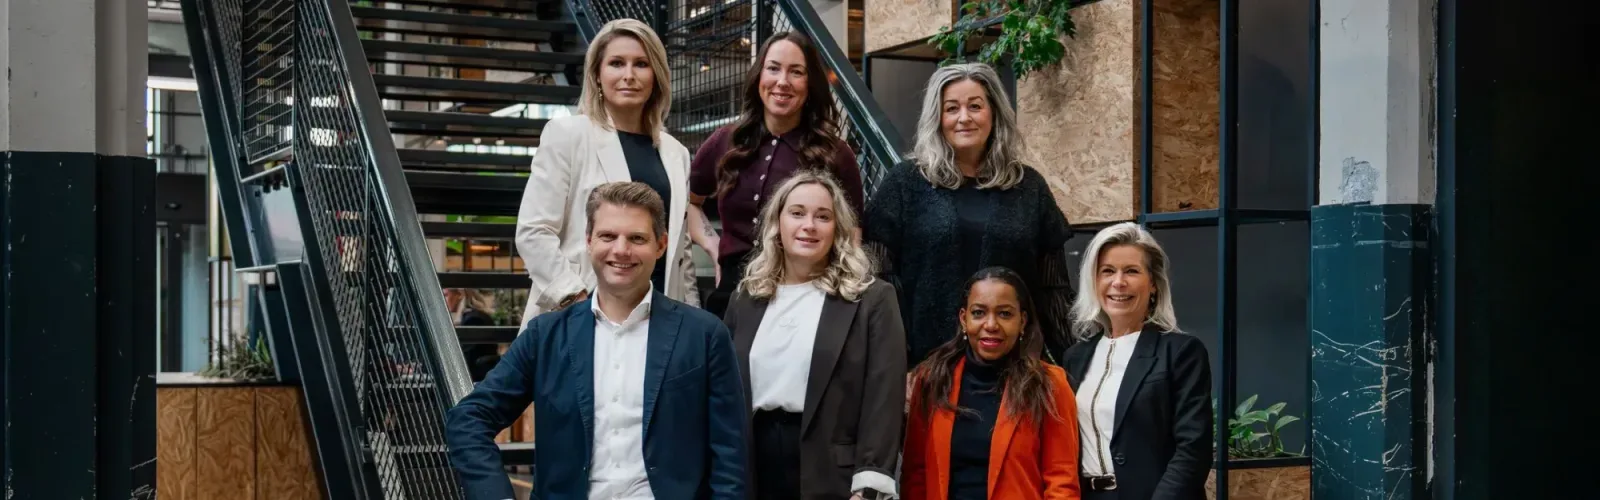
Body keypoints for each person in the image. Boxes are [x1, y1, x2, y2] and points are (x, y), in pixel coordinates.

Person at [445, 182, 748, 500]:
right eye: (608, 236)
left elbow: (730, 455)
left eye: (637, 238)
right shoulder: (545, 336)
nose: (621, 250)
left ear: (661, 245)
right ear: (588, 241)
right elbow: (468, 419)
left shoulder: (704, 335)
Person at [863, 63, 1076, 367]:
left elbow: (1053, 288)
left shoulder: (1028, 186)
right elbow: (880, 281)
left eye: (975, 106)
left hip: (1012, 369)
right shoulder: (904, 183)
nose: (964, 117)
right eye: (952, 108)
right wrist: (897, 359)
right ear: (937, 117)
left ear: (994, 113)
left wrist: (1071, 361)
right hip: (926, 366)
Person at [721, 172, 906, 500]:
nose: (809, 225)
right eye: (797, 213)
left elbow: (884, 397)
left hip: (832, 474)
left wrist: (869, 483)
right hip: (753, 469)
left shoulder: (872, 298)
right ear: (777, 223)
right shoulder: (746, 298)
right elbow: (726, 392)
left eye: (823, 216)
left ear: (838, 229)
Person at [514, 18, 697, 328]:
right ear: (597, 74)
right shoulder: (568, 135)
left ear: (656, 76)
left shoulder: (675, 152)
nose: (629, 75)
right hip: (582, 317)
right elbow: (534, 231)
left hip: (658, 322)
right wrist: (575, 299)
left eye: (641, 64)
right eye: (616, 63)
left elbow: (682, 252)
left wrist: (691, 322)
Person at [688, 31, 866, 318]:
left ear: (810, 83)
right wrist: (713, 245)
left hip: (804, 294)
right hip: (733, 293)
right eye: (773, 68)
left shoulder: (835, 153)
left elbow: (852, 233)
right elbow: (690, 203)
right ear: (759, 76)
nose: (782, 81)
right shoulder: (725, 141)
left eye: (796, 72)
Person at [902, 267, 1081, 500]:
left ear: (1022, 321)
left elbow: (1062, 482)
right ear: (963, 319)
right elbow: (915, 476)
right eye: (979, 313)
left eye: (1005, 314)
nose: (991, 325)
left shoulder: (1049, 384)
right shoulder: (932, 379)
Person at [1060, 223, 1211, 500]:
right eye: (1107, 271)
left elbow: (1193, 451)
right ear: (1094, 282)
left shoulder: (1181, 353)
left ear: (1153, 283)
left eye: (1131, 271)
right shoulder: (1075, 358)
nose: (1118, 282)